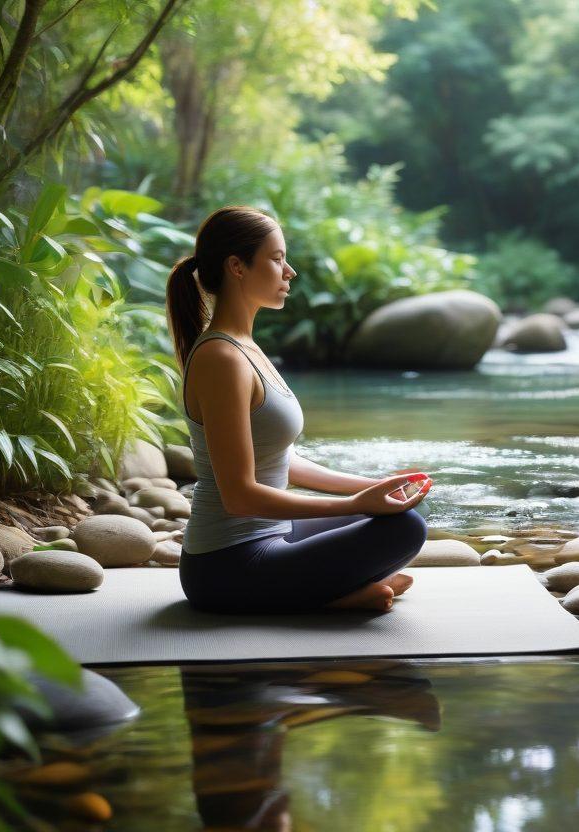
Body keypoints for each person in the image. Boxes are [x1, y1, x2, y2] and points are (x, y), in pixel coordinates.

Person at [166, 205, 430, 615]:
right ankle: (336, 596)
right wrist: (356, 504)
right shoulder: (222, 358)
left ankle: (339, 589)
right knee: (405, 529)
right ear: (237, 266)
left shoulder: (246, 347)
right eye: (276, 259)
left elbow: (281, 461)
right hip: (225, 566)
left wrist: (374, 486)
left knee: (407, 508)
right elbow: (238, 497)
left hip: (274, 537)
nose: (289, 272)